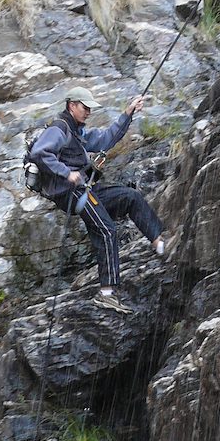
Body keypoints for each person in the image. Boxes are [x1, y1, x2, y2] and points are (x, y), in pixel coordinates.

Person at [30, 86, 166, 313]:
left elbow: (105, 140)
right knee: (106, 230)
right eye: (85, 107)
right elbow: (40, 153)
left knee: (130, 197)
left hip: (86, 189)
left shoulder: (78, 132)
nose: (88, 112)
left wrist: (128, 113)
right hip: (71, 193)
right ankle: (106, 294)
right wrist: (66, 173)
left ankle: (159, 243)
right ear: (72, 105)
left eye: (90, 108)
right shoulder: (59, 128)